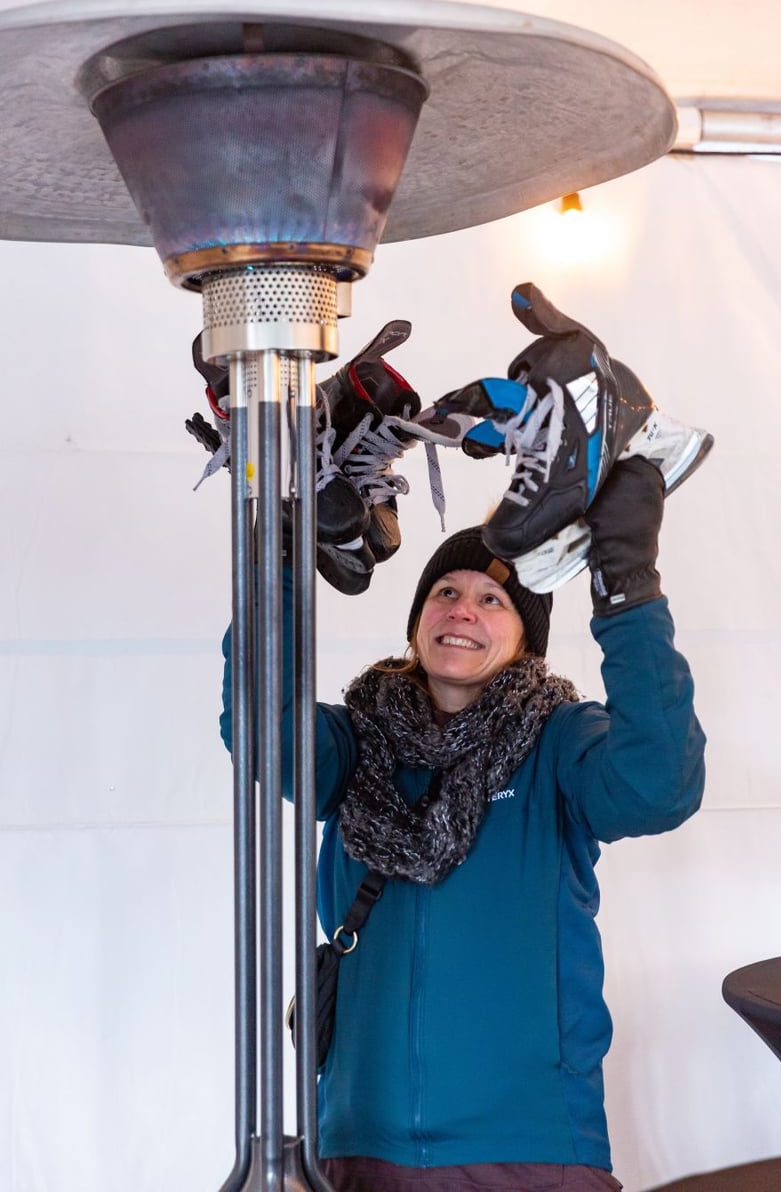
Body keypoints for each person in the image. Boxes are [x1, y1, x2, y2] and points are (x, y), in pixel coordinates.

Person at [215, 285, 707, 1192]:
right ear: (416, 622)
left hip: (530, 1147)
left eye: (493, 600)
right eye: (446, 593)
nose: (465, 610)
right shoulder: (355, 745)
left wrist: (628, 586)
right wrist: (284, 540)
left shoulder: (561, 742)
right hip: (357, 1138)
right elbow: (259, 724)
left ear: (525, 634)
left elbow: (658, 786)